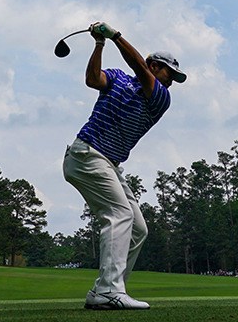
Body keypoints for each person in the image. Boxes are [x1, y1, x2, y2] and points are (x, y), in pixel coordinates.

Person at [63, 22, 185, 311]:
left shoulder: (160, 97)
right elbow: (93, 79)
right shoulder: (118, 78)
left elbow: (140, 69)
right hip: (87, 154)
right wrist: (100, 44)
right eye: (169, 74)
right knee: (119, 214)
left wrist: (115, 35)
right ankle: (109, 290)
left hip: (108, 163)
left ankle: (105, 289)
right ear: (155, 65)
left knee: (138, 229)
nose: (171, 82)